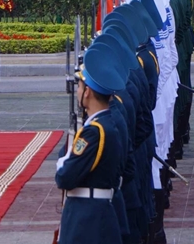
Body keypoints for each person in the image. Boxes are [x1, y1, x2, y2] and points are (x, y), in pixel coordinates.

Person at [55, 45, 125, 244]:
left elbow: (65, 177)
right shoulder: (105, 124)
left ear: (88, 93)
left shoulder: (94, 132)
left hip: (87, 221)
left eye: (80, 86)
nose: (77, 91)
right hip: (96, 215)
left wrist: (62, 163)